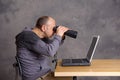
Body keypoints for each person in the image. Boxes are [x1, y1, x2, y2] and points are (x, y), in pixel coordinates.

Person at [15, 16, 69, 80]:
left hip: (44, 74)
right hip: (36, 78)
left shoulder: (37, 35)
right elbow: (50, 51)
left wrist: (61, 37)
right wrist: (58, 35)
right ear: (44, 28)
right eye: (53, 28)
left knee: (71, 78)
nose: (55, 31)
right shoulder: (27, 36)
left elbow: (53, 45)